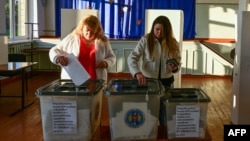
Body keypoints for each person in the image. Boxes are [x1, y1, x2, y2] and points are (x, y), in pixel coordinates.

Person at [127, 15, 181, 125]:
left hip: (167, 83)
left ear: (168, 30)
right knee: (148, 114)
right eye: (157, 29)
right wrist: (137, 73)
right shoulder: (145, 40)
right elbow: (132, 57)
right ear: (153, 29)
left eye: (162, 30)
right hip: (148, 82)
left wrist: (175, 67)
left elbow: (178, 62)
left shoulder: (173, 43)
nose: (159, 33)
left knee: (165, 114)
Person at [49, 15, 116, 83]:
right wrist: (57, 58)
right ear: (82, 28)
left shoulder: (102, 41)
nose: (89, 34)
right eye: (87, 30)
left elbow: (112, 57)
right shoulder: (71, 39)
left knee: (96, 93)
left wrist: (106, 62)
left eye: (92, 31)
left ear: (97, 31)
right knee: (74, 93)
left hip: (96, 81)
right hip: (73, 81)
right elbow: (53, 50)